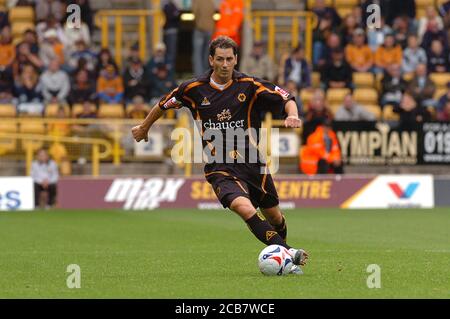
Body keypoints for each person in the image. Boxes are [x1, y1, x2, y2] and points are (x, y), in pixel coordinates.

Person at [132, 36, 309, 274]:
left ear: (236, 59)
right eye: (220, 59)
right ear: (211, 60)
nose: (225, 64)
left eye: (229, 59)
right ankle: (289, 254)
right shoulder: (192, 89)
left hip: (252, 163)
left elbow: (286, 96)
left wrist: (292, 114)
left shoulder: (249, 85)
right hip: (220, 166)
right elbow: (163, 104)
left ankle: (283, 255)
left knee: (274, 216)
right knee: (245, 209)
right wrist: (144, 127)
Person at [192, 0, 215, 77]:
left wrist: (198, 22)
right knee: (206, 54)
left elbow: (195, 12)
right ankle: (206, 74)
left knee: (197, 55)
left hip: (200, 28)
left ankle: (198, 76)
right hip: (210, 28)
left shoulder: (197, 1)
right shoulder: (210, 2)